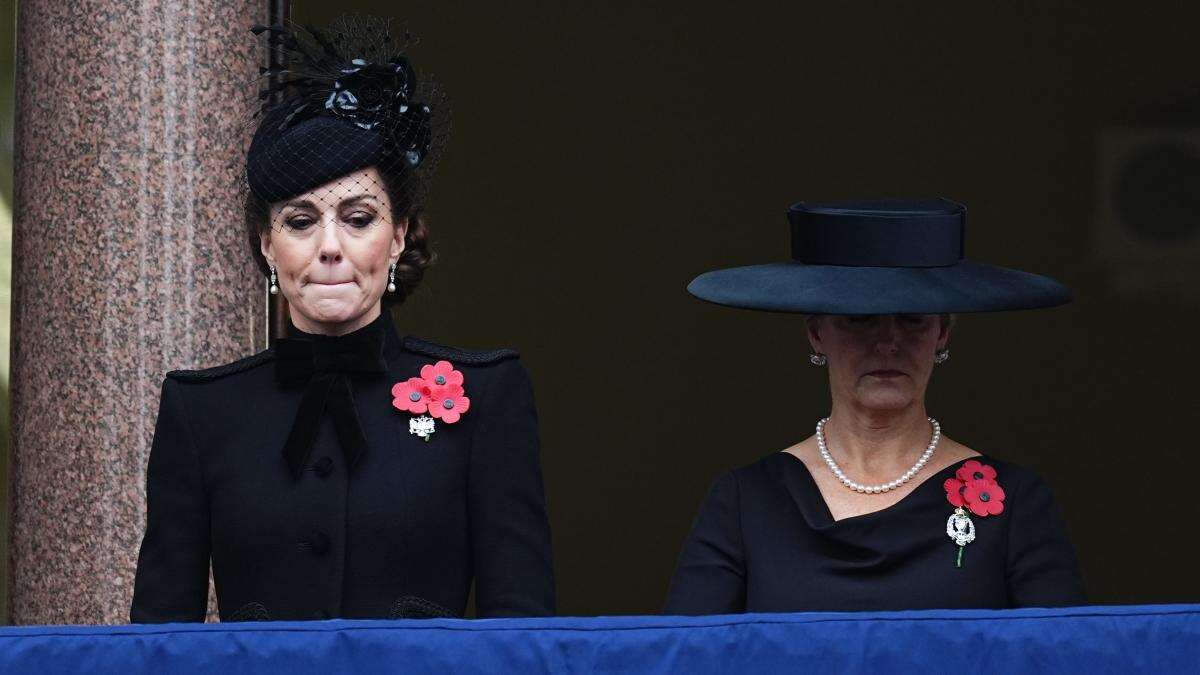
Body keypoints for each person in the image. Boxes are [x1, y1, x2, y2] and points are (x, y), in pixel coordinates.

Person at [131, 16, 554, 622]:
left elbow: (523, 634)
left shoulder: (489, 396)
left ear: (400, 236)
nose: (330, 246)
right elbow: (157, 643)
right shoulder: (202, 413)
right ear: (267, 245)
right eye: (300, 221)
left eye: (358, 218)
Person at [665, 199, 1084, 614]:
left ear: (942, 333)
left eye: (912, 318)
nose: (887, 343)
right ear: (816, 333)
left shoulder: (1015, 502)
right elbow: (689, 657)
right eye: (859, 319)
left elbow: (1061, 658)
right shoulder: (745, 501)